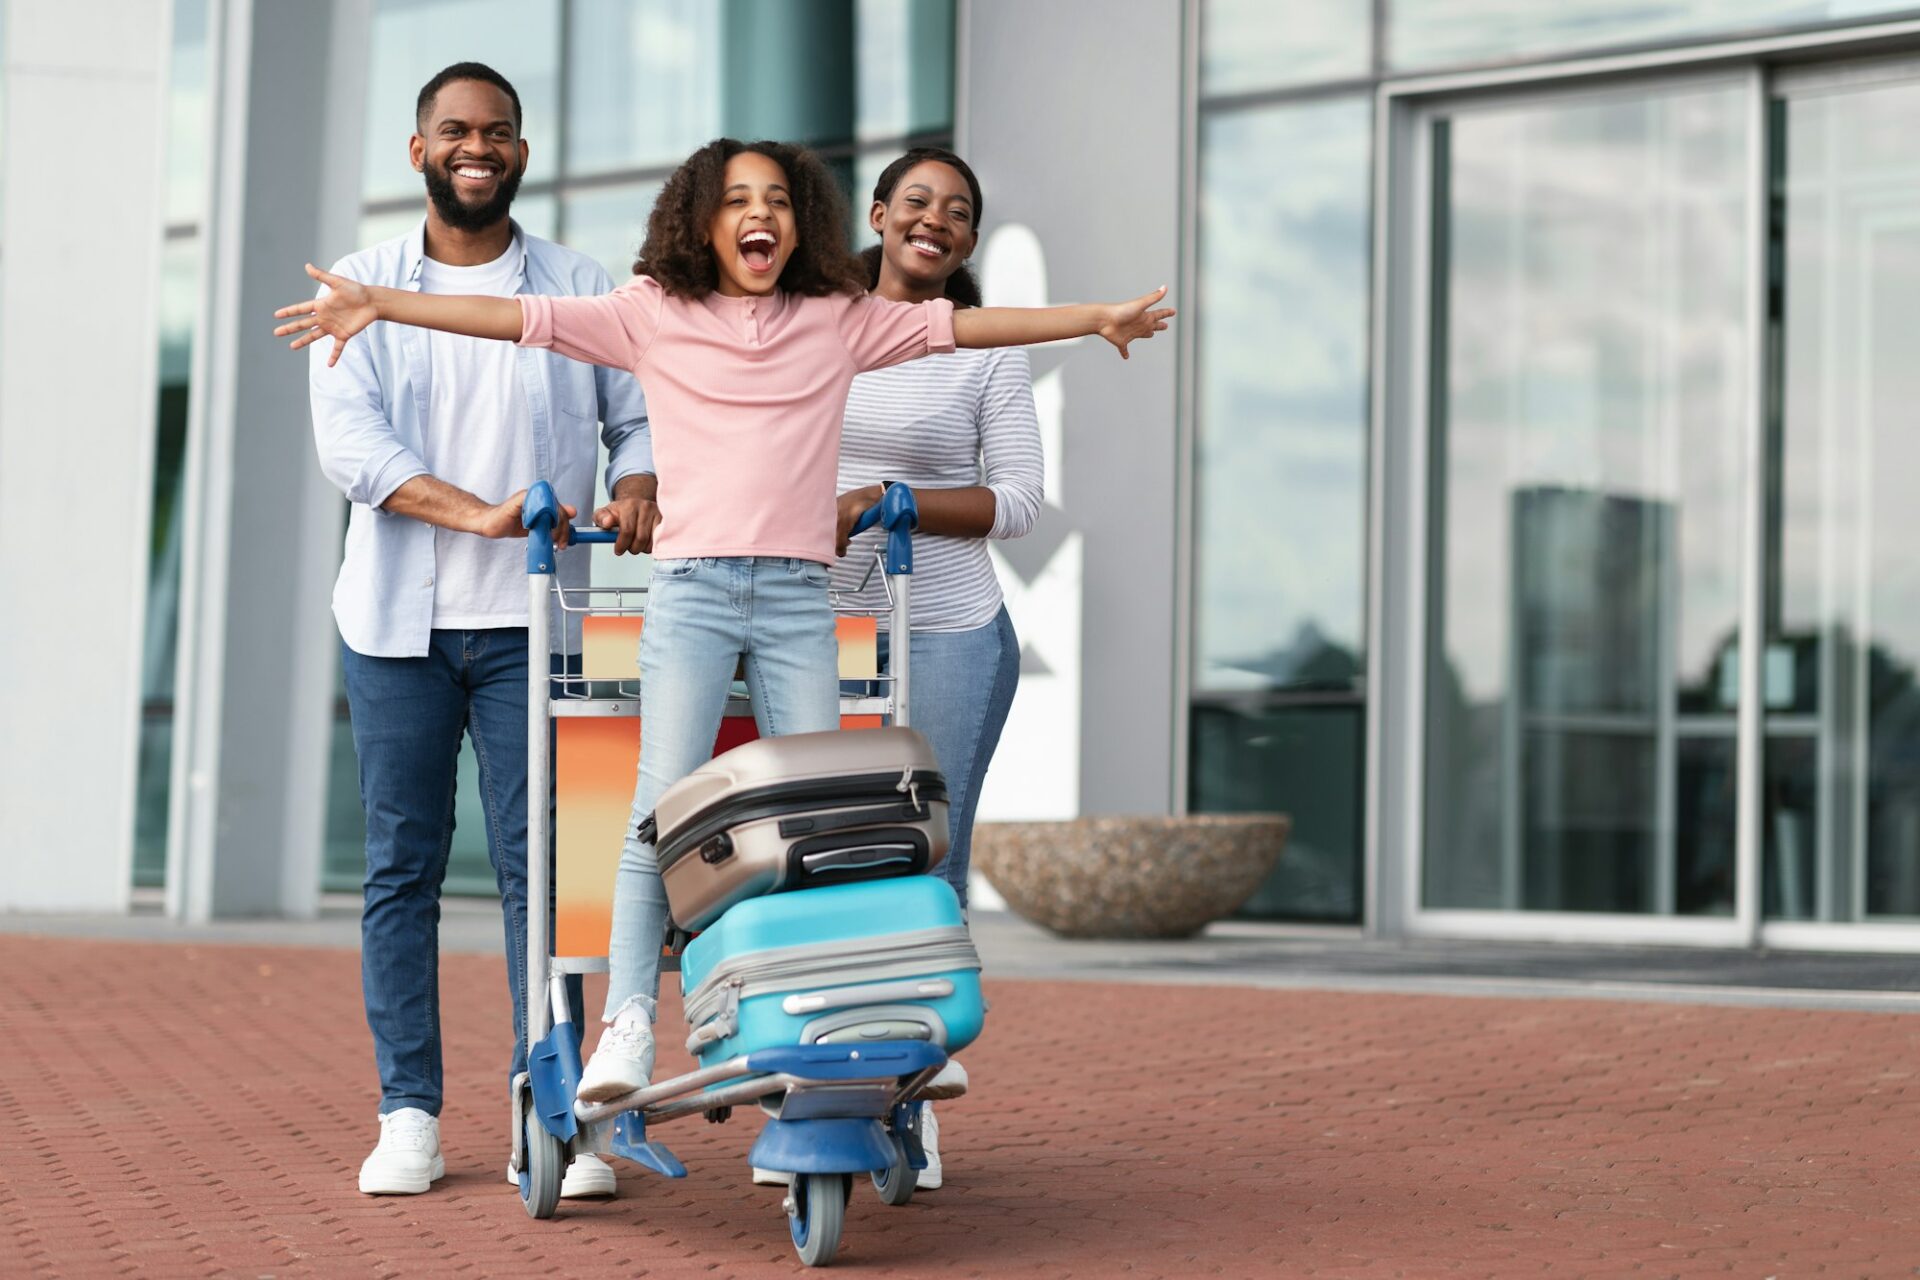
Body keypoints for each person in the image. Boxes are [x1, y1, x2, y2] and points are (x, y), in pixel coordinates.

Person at [275, 136, 1173, 1122]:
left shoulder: (840, 319)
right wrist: (382, 302)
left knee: (829, 812)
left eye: (780, 198)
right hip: (694, 594)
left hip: (799, 600)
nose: (761, 213)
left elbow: (967, 329)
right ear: (703, 220)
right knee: (659, 810)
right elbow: (513, 318)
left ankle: (858, 1010)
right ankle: (626, 1018)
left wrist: (1095, 319)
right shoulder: (651, 314)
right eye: (739, 198)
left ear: (805, 223)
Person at [305, 62, 660, 1200]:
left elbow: (637, 412)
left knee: (548, 875)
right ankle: (407, 1111)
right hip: (396, 626)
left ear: (520, 150)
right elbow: (350, 449)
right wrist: (478, 514)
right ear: (419, 151)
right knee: (400, 871)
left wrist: (643, 477)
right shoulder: (359, 285)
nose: (478, 147)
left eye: (497, 132)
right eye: (455, 130)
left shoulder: (576, 282)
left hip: (541, 621)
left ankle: (544, 1106)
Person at [827, 147, 1040, 1190]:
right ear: (878, 213)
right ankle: (824, 1082)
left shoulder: (983, 348)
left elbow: (1021, 500)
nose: (936, 219)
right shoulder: (816, 320)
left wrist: (882, 498)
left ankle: (913, 1085)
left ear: (966, 240)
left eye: (958, 211)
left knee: (925, 856)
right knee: (826, 855)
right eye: (917, 201)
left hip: (950, 626)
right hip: (818, 627)